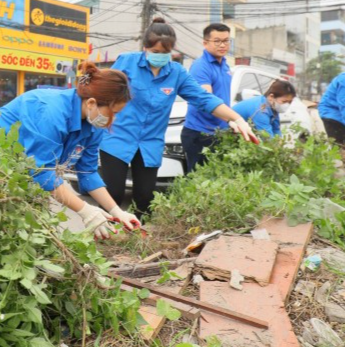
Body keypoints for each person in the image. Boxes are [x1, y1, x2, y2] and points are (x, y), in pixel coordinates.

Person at [99, 18, 259, 218]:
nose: (160, 56)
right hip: (118, 136)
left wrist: (236, 119)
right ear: (145, 48)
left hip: (150, 142)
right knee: (112, 194)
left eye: (165, 53)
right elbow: (104, 89)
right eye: (155, 52)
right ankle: (104, 238)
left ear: (172, 51)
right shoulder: (127, 61)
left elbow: (204, 99)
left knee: (145, 198)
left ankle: (136, 240)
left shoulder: (176, 73)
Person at [0, 62, 138, 240]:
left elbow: (88, 172)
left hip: (16, 172)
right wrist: (86, 210)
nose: (114, 119)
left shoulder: (94, 125)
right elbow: (43, 172)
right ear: (91, 103)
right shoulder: (52, 112)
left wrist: (117, 211)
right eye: (112, 112)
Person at [181, 23, 234, 173]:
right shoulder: (201, 66)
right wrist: (233, 119)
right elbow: (206, 101)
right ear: (205, 43)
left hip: (219, 131)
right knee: (199, 180)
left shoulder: (225, 65)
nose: (222, 45)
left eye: (226, 40)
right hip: (201, 133)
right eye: (217, 41)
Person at [232, 79, 297, 137]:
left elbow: (276, 130)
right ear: (271, 97)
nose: (287, 105)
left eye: (289, 102)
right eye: (284, 101)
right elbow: (267, 139)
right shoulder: (261, 111)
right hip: (227, 133)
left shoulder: (272, 108)